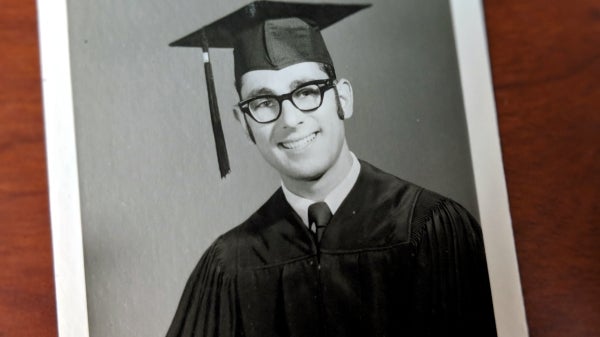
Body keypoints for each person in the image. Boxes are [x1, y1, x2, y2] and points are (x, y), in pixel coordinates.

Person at [167, 2, 497, 336]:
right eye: (264, 102)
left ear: (343, 98)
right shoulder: (230, 265)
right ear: (244, 124)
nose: (290, 120)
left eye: (307, 91)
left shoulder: (428, 227)